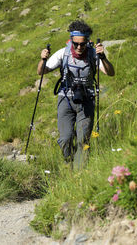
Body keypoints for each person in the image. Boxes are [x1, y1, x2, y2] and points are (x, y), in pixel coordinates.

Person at [37, 20, 115, 169]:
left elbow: (110, 73)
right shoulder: (63, 53)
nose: (79, 47)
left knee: (83, 140)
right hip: (65, 99)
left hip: (87, 100)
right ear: (71, 41)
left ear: (87, 42)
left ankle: (79, 174)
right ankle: (69, 162)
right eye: (76, 44)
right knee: (65, 139)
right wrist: (42, 59)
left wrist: (103, 57)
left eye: (83, 44)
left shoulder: (94, 55)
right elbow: (41, 71)